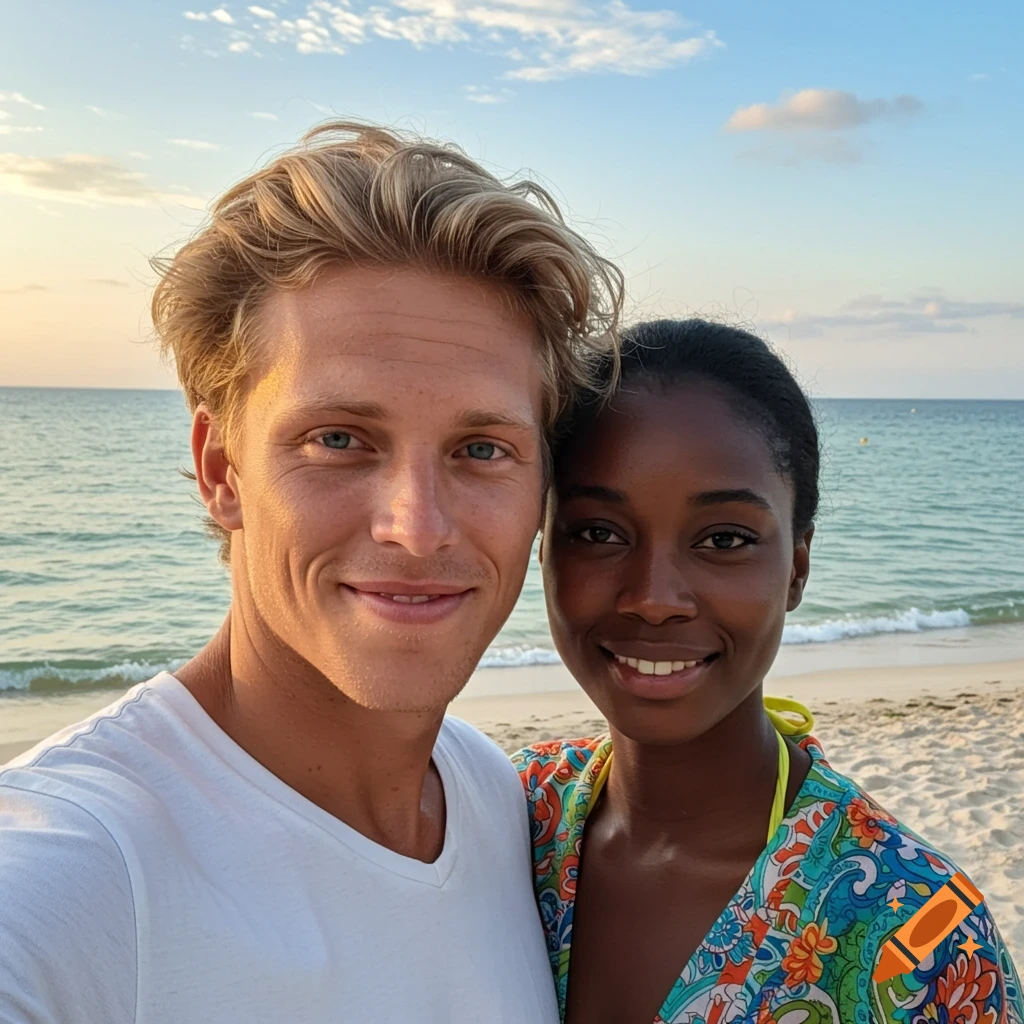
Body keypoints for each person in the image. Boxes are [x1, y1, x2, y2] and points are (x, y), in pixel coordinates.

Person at [0, 121, 624, 1023]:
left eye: (482, 448)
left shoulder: (490, 798)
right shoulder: (74, 879)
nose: (417, 527)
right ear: (223, 470)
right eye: (338, 439)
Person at [513, 319, 1024, 1024]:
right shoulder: (508, 820)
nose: (654, 598)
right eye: (598, 532)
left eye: (724, 539)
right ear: (543, 548)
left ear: (797, 569)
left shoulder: (915, 939)